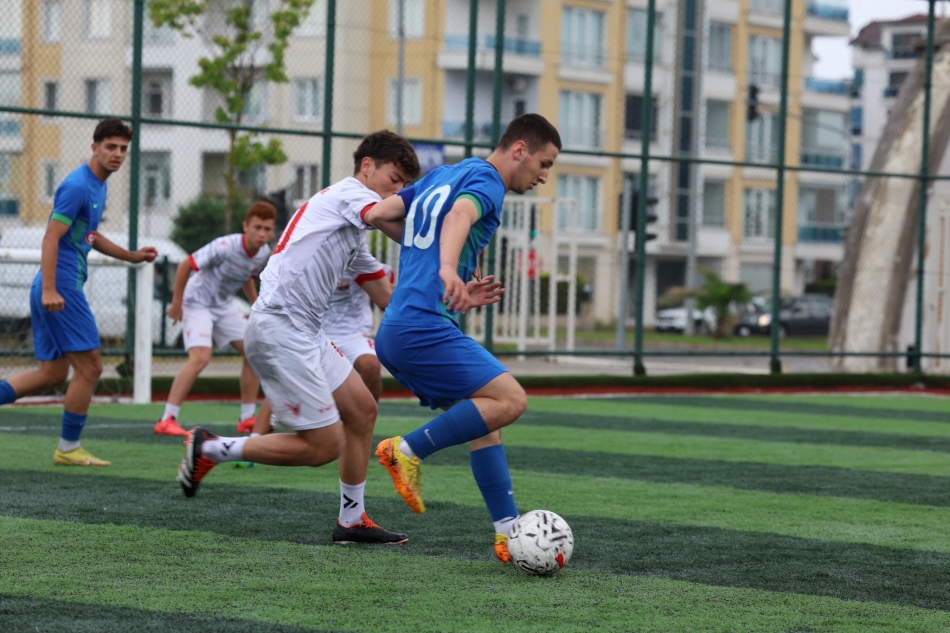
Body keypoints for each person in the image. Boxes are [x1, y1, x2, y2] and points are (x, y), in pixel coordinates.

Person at [175, 131, 422, 545]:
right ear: (367, 167)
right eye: (394, 180)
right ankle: (210, 448)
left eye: (404, 185)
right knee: (323, 446)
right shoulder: (348, 194)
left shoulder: (351, 230)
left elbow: (387, 296)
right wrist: (438, 213)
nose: (397, 192)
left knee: (362, 411)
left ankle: (351, 520)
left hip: (304, 330)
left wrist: (449, 287)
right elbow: (387, 217)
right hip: (279, 327)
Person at [363, 113, 561, 562]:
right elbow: (459, 215)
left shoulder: (444, 174)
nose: (543, 177)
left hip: (397, 328)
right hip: (422, 327)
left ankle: (507, 534)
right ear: (519, 150)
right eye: (544, 164)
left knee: (485, 420)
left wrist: (440, 268)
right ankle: (406, 450)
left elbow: (378, 213)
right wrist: (448, 269)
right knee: (511, 400)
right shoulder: (488, 182)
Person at [0, 118, 158, 466]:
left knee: (53, 374)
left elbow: (89, 234)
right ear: (94, 147)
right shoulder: (77, 186)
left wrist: (130, 256)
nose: (117, 154)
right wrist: (51, 289)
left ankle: (68, 448)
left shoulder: (98, 185)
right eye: (111, 147)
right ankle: (69, 448)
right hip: (61, 288)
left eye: (123, 149)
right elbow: (51, 237)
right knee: (91, 368)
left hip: (55, 286)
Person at [153, 202, 276, 437]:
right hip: (196, 302)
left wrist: (257, 306)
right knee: (201, 357)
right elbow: (185, 265)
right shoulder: (224, 247)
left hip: (223, 305)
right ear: (245, 226)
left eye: (267, 229)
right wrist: (177, 304)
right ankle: (167, 419)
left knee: (254, 350)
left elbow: (247, 277)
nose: (262, 234)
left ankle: (246, 419)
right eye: (257, 227)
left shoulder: (263, 252)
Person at [246, 263, 394, 439]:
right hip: (317, 330)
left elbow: (387, 294)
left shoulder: (358, 259)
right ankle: (255, 437)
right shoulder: (309, 260)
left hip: (354, 333)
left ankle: (362, 424)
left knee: (371, 366)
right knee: (290, 372)